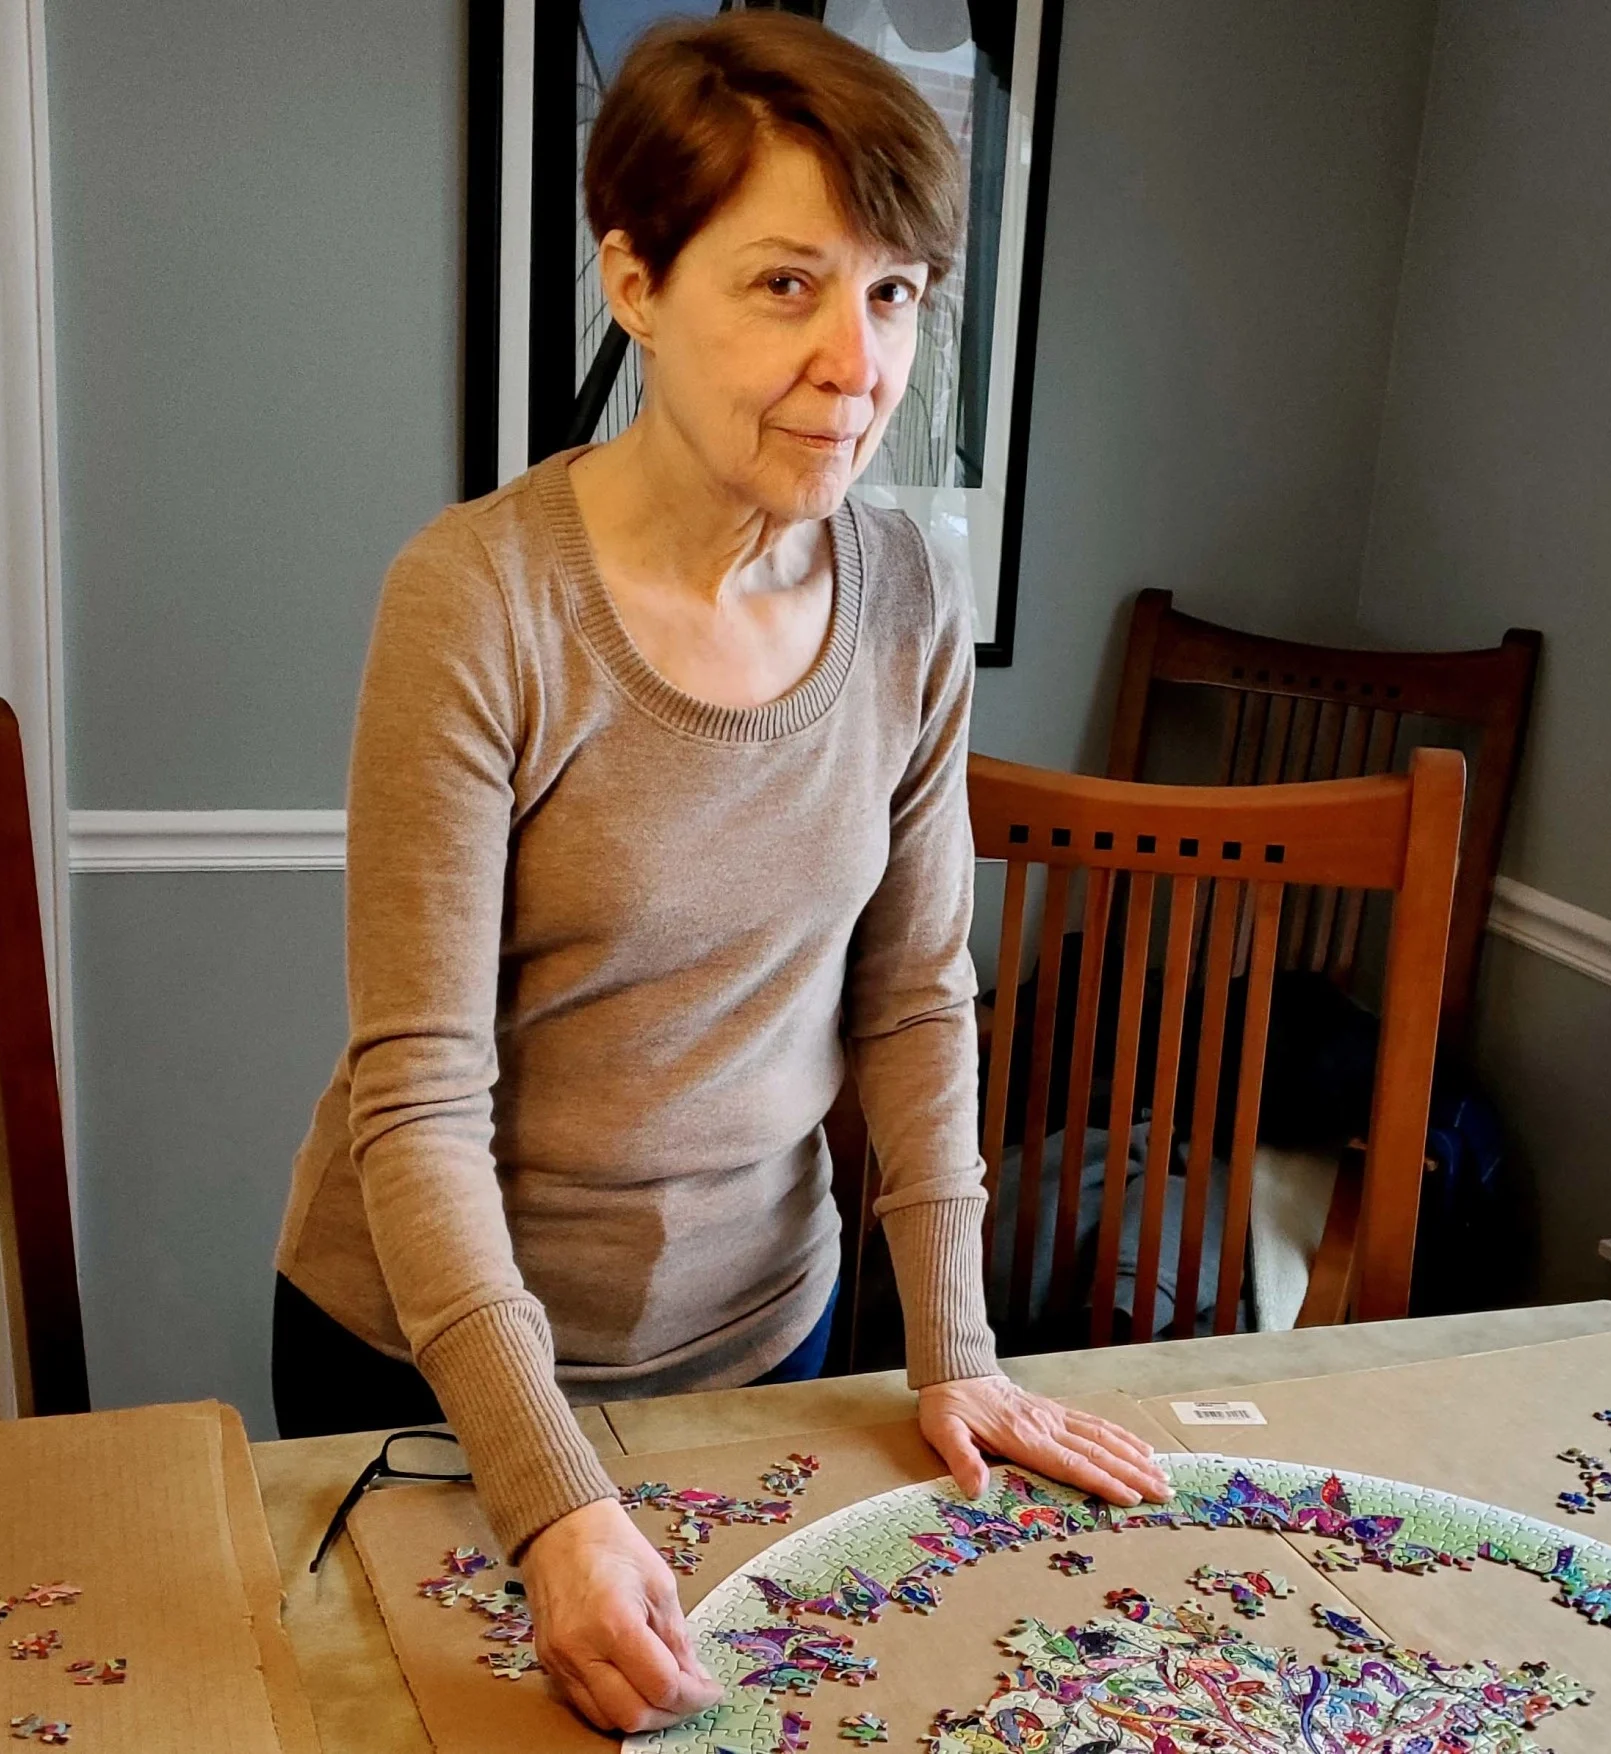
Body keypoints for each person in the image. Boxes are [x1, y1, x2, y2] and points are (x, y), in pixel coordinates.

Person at [268, 12, 1167, 1734]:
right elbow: (419, 1099)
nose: (860, 361)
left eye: (896, 292)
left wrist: (957, 1343)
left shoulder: (910, 598)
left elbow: (913, 998)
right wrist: (551, 1496)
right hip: (433, 1371)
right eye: (786, 286)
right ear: (635, 280)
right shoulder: (478, 600)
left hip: (772, 1339)